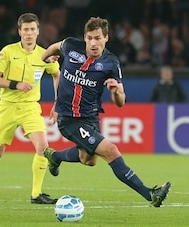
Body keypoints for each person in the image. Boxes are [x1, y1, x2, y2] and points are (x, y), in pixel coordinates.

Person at [41, 17, 171, 207]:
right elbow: (54, 47)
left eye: (98, 38)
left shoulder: (111, 63)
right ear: (85, 37)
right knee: (111, 150)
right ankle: (150, 194)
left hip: (91, 117)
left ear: (106, 38)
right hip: (69, 119)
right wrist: (44, 59)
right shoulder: (71, 46)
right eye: (90, 38)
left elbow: (120, 102)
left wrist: (116, 92)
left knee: (89, 159)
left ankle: (55, 157)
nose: (94, 43)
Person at [0, 13, 60, 204]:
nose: (29, 33)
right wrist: (16, 84)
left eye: (32, 29)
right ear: (19, 31)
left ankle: (36, 194)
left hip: (30, 108)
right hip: (8, 107)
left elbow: (57, 75)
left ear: (37, 31)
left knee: (43, 148)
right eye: (25, 29)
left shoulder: (44, 55)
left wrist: (57, 103)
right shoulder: (7, 52)